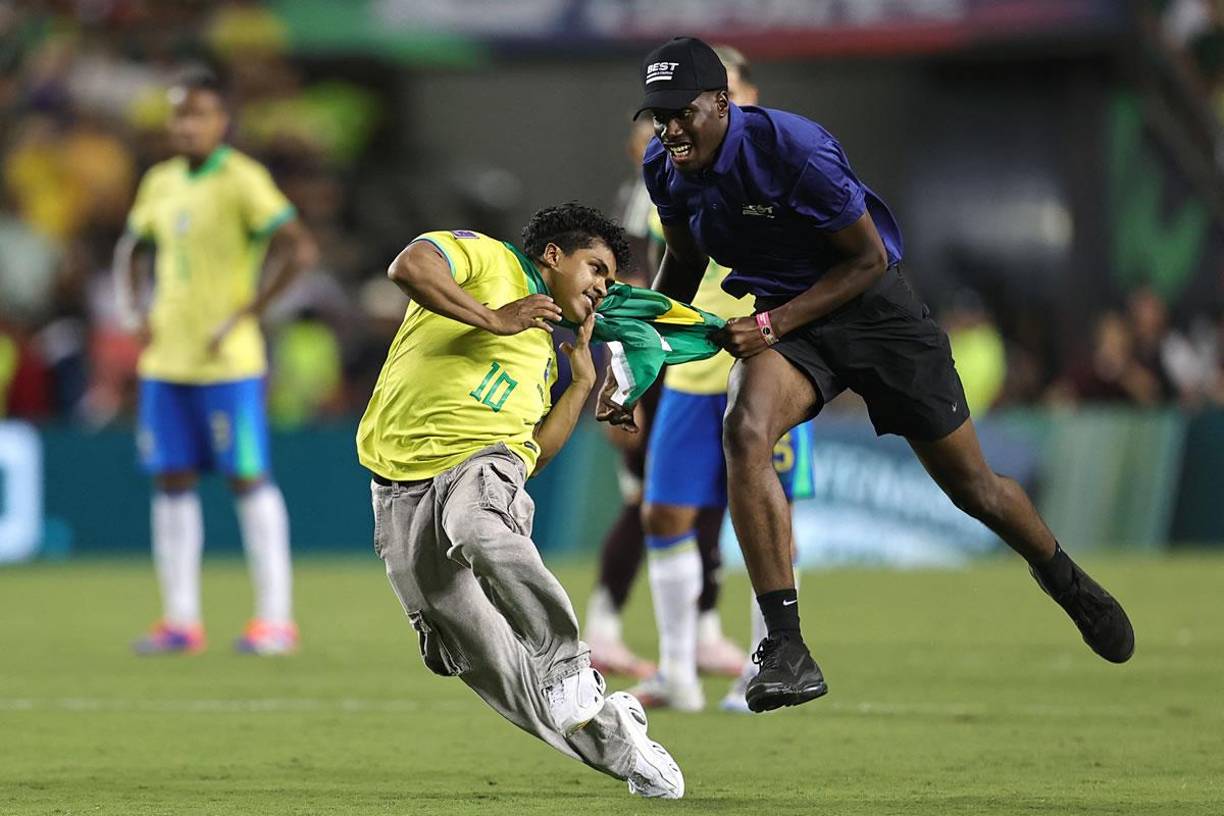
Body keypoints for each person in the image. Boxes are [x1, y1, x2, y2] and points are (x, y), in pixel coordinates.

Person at [600, 36, 1135, 714]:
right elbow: (681, 261)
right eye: (658, 115)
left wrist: (768, 327)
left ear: (721, 101)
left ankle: (1064, 579)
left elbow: (868, 261)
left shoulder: (796, 150)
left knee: (975, 490)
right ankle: (786, 647)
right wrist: (639, 361)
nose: (669, 128)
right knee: (746, 429)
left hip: (875, 315)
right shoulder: (665, 167)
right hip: (792, 328)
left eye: (682, 112)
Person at [356, 204, 684, 799]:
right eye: (596, 268)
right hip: (398, 489)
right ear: (554, 256)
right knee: (489, 666)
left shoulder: (542, 348)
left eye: (609, 280)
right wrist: (493, 318)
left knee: (481, 528)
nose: (602, 287)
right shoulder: (490, 260)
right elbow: (409, 265)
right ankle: (620, 744)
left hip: (479, 467)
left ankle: (568, 663)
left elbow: (531, 454)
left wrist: (582, 383)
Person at [628, 45, 809, 713]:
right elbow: (665, 272)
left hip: (771, 359)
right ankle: (676, 671)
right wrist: (638, 360)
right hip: (692, 368)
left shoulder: (784, 163)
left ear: (740, 97)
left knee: (769, 517)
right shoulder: (672, 173)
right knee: (665, 511)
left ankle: (765, 665)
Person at [113, 68, 316, 656]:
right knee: (170, 480)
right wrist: (133, 307)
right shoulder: (160, 181)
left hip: (227, 363)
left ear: (221, 121)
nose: (185, 125)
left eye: (197, 113)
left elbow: (298, 247)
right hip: (166, 360)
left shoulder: (242, 180)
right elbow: (133, 247)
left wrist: (251, 311)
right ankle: (180, 620)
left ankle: (275, 619)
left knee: (246, 478)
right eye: (178, 114)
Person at [585, 115, 743, 683]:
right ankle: (606, 626)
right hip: (660, 371)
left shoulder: (668, 190)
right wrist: (625, 379)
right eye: (650, 133)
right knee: (652, 501)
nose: (663, 142)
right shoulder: (650, 199)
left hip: (676, 367)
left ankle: (699, 631)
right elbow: (627, 299)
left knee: (700, 502)